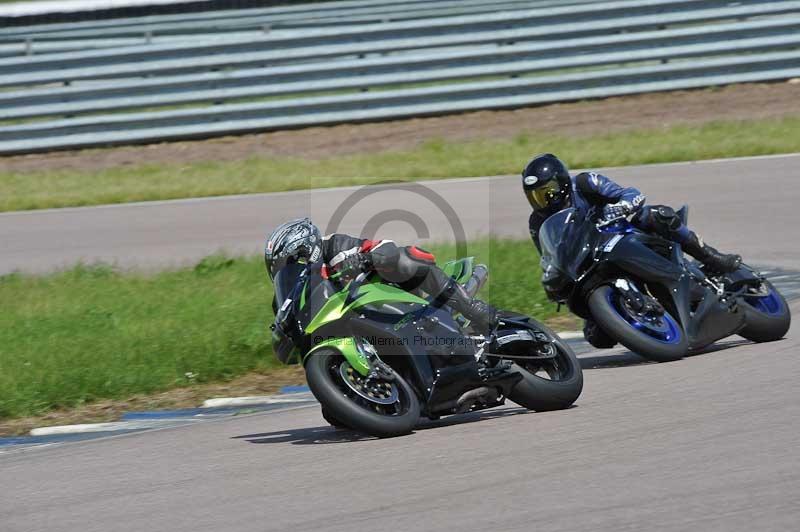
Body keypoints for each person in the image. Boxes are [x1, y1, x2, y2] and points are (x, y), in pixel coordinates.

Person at [521, 153, 741, 347]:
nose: (541, 201)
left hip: (622, 234)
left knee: (656, 215)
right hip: (590, 259)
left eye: (546, 192)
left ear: (561, 183)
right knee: (597, 337)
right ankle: (640, 322)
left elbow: (630, 193)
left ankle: (710, 256)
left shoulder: (584, 183)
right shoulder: (537, 223)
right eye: (534, 196)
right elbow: (550, 255)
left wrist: (621, 206)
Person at [263, 218, 498, 331]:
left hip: (395, 297)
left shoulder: (335, 246)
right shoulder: (289, 299)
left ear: (306, 249)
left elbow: (385, 247)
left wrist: (365, 259)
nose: (289, 271)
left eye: (291, 262)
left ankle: (474, 308)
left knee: (405, 259)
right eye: (282, 268)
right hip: (359, 325)